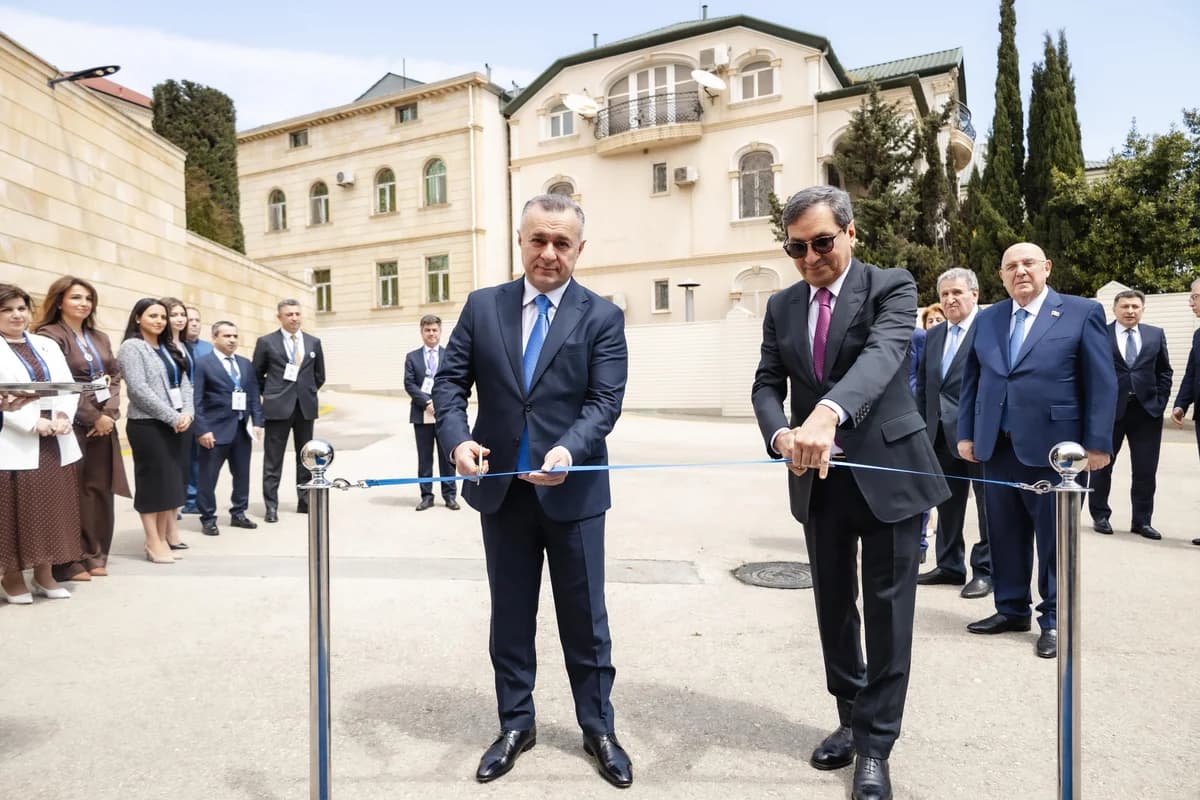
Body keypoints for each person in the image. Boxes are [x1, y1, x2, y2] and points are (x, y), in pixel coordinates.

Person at [751, 186, 949, 800]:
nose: (809, 257)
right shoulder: (782, 305)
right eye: (796, 247)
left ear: (851, 233)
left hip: (888, 474)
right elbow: (765, 383)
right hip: (818, 482)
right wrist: (781, 430)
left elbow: (884, 355)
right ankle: (848, 715)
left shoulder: (891, 285)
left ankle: (875, 745)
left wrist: (828, 412)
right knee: (834, 608)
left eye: (820, 242)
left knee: (888, 612)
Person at [433, 193, 633, 788]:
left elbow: (605, 402)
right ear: (520, 241)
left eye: (561, 243)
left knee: (585, 621)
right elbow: (449, 384)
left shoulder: (601, 316)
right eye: (538, 240)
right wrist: (457, 440)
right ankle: (516, 723)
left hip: (572, 495)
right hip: (502, 495)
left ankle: (598, 727)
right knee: (511, 617)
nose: (548, 253)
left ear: (579, 249)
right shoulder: (482, 306)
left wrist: (569, 450)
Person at [957, 242, 1115, 659]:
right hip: (998, 446)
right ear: (1001, 275)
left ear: (1046, 267)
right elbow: (972, 379)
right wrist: (967, 434)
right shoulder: (988, 318)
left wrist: (1097, 445)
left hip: (1057, 452)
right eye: (1011, 266)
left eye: (1028, 263)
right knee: (1004, 534)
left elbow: (1101, 382)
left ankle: (1054, 619)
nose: (1020, 271)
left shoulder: (1082, 312)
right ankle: (1010, 608)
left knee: (1055, 539)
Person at [33, 276, 131, 580]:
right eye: (76, 297)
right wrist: (92, 417)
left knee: (98, 490)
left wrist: (110, 413)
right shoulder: (48, 335)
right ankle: (67, 560)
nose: (83, 304)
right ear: (60, 300)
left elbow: (113, 376)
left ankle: (95, 553)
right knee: (69, 491)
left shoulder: (99, 337)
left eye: (88, 298)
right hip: (70, 423)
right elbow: (56, 382)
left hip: (104, 424)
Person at [0, 283, 83, 603]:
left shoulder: (45, 344)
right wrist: (32, 423)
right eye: (6, 310)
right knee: (14, 512)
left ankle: (45, 574)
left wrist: (62, 416)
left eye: (21, 308)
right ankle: (11, 577)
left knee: (51, 509)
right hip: (14, 439)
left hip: (54, 438)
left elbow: (67, 386)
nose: (16, 315)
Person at [914, 268, 993, 598]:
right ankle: (949, 565)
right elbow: (926, 388)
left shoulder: (990, 330)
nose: (950, 299)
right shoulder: (933, 335)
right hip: (939, 436)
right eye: (944, 294)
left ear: (974, 294)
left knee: (989, 508)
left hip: (979, 437)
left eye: (957, 292)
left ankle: (986, 570)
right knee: (946, 503)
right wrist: (921, 427)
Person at [1089, 290, 1173, 540]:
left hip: (1146, 413)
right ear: (1114, 310)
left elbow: (1164, 372)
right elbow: (1090, 371)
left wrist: (1159, 402)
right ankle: (1100, 516)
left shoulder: (1155, 334)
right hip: (1109, 412)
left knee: (1146, 470)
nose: (1130, 311)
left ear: (1142, 309)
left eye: (1135, 306)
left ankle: (1142, 521)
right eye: (1125, 306)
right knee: (1102, 466)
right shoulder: (1100, 334)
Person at [117, 298, 194, 564]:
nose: (160, 321)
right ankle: (152, 541)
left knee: (169, 485)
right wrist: (171, 416)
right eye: (153, 316)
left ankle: (162, 538)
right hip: (148, 425)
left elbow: (185, 382)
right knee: (152, 485)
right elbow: (138, 389)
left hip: (175, 424)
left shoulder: (167, 347)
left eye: (163, 316)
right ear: (138, 318)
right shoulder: (132, 347)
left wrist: (187, 413)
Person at [253, 299, 325, 522]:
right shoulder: (266, 342)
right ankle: (271, 506)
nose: (294, 318)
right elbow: (256, 375)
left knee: (306, 458)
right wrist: (273, 393)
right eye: (289, 314)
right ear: (280, 317)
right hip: (277, 408)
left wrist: (307, 391)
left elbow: (319, 375)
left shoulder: (313, 342)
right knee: (273, 460)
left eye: (296, 314)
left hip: (305, 408)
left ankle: (304, 502)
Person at [193, 321, 264, 536]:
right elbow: (196, 401)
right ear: (214, 338)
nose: (232, 340)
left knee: (242, 475)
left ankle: (239, 513)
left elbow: (253, 395)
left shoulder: (244, 364)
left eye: (235, 336)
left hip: (242, 430)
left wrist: (258, 422)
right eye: (226, 336)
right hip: (214, 431)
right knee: (208, 477)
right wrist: (202, 429)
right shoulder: (203, 364)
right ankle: (208, 518)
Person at [404, 315, 458, 511]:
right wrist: (427, 402)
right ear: (422, 332)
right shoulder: (412, 357)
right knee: (425, 458)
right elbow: (409, 383)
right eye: (427, 330)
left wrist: (441, 403)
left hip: (444, 414)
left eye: (434, 330)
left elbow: (453, 381)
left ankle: (450, 495)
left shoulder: (449, 355)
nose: (431, 333)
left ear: (440, 331)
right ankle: (426, 496)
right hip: (422, 413)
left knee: (447, 457)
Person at [1170, 278, 1200, 546]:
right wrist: (1181, 404)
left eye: (1195, 296)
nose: (1191, 302)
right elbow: (1192, 373)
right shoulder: (1198, 334)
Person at [182, 305, 213, 513]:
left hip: (204, 409)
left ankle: (197, 497)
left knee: (201, 456)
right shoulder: (174, 347)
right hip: (182, 408)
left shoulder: (209, 348)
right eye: (190, 319)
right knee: (184, 455)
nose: (194, 323)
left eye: (197, 320)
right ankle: (185, 498)